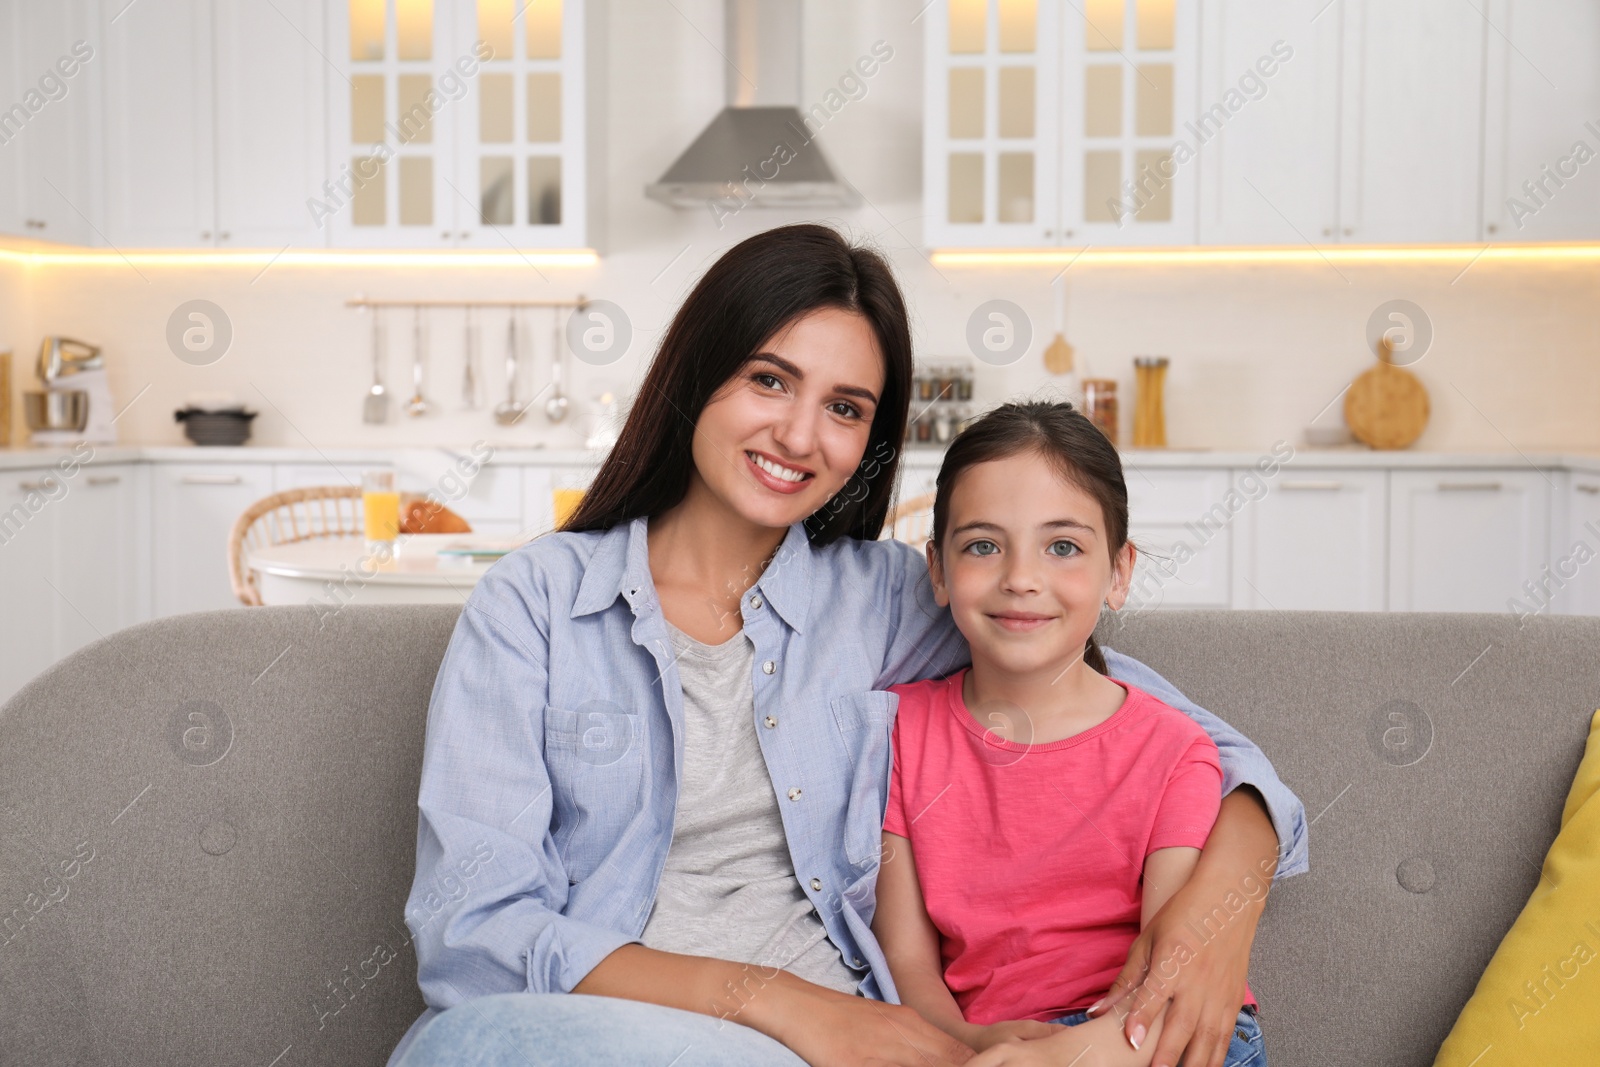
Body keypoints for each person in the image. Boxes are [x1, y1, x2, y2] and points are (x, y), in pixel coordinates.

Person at [387, 224, 1306, 1067]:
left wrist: (1210, 926)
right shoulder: (537, 604)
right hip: (635, 1032)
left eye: (845, 407)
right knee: (463, 1046)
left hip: (842, 1045)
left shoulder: (883, 599)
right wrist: (776, 1003)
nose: (798, 435)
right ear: (695, 375)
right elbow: (475, 928)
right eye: (769, 379)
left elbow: (1172, 736)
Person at [873, 402, 1267, 1067]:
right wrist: (972, 1042)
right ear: (937, 569)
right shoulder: (900, 731)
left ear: (1119, 572)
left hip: (1146, 1035)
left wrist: (1065, 1057)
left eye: (1062, 546)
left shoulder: (1173, 750)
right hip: (987, 1043)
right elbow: (908, 961)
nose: (1021, 577)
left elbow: (1173, 967)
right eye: (982, 545)